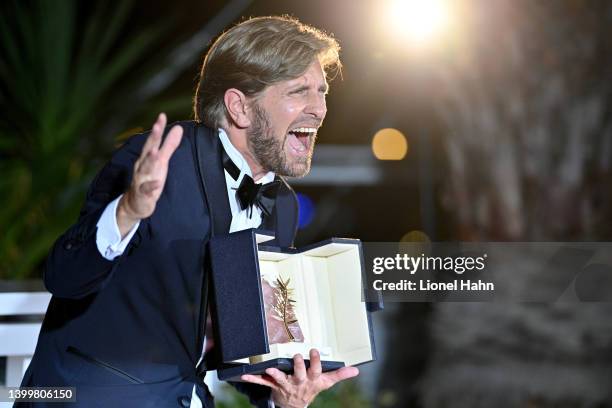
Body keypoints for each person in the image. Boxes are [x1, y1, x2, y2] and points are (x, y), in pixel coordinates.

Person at [19, 15, 359, 408]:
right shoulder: (160, 161)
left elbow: (233, 343)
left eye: (322, 91)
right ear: (239, 108)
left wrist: (283, 392)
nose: (318, 108)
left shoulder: (280, 205)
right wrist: (128, 211)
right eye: (299, 91)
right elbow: (63, 276)